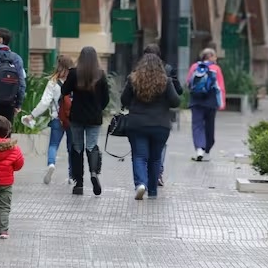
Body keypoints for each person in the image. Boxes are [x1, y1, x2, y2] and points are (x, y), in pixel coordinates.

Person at [120, 53, 181, 200]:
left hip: (137, 124)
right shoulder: (166, 81)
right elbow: (175, 102)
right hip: (160, 125)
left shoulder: (133, 79)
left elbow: (124, 99)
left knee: (139, 156)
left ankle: (141, 184)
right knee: (155, 158)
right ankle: (153, 191)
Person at [60, 46, 110, 196]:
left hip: (77, 116)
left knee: (77, 148)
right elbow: (106, 98)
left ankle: (79, 183)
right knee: (92, 146)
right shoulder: (100, 74)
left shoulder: (74, 73)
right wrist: (97, 108)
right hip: (94, 117)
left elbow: (64, 91)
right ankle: (94, 173)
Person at [22, 54, 74, 185]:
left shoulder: (53, 82)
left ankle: (51, 164)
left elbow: (45, 102)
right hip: (73, 119)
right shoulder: (76, 80)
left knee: (53, 145)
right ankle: (72, 175)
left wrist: (32, 115)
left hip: (57, 118)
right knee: (72, 148)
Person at [141, 44, 182, 187]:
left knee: (142, 148)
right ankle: (157, 173)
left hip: (141, 117)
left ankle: (144, 176)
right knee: (161, 147)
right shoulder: (168, 70)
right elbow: (179, 93)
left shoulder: (138, 72)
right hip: (161, 117)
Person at [188, 51, 223, 162]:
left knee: (197, 125)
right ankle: (207, 151)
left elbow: (189, 82)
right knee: (209, 126)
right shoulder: (216, 69)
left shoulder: (194, 66)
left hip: (196, 101)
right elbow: (220, 87)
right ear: (210, 57)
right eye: (214, 55)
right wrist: (221, 103)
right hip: (211, 102)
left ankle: (199, 149)